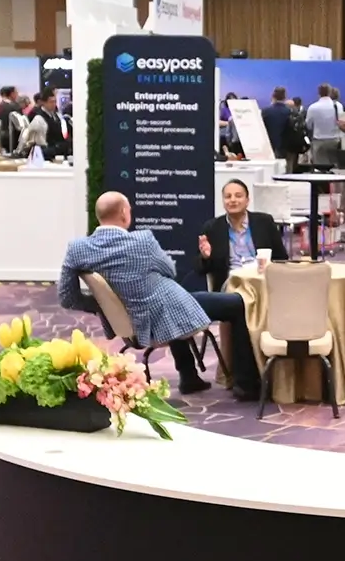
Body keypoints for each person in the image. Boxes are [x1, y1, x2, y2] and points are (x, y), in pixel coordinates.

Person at [63, 191, 260, 398]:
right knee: (238, 303)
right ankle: (246, 383)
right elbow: (169, 271)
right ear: (123, 213)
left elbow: (67, 297)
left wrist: (105, 305)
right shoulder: (142, 241)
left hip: (133, 323)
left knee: (171, 302)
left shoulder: (78, 249)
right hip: (161, 314)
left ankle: (189, 377)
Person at [197, 177, 289, 289]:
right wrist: (206, 257)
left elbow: (281, 258)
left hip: (262, 282)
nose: (233, 200)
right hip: (232, 285)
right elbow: (200, 269)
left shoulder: (264, 222)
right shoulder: (213, 228)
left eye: (238, 196)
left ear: (247, 201)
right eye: (228, 197)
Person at [304, 84, 343, 169]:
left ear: (318, 93)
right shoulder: (338, 106)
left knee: (320, 168)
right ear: (330, 92)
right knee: (335, 167)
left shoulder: (313, 107)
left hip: (319, 141)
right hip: (335, 141)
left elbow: (308, 125)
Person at [263, 87, 300, 169]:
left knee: (272, 170)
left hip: (271, 147)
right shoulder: (291, 111)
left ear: (273, 96)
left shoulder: (266, 111)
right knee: (288, 170)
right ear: (285, 97)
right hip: (288, 147)